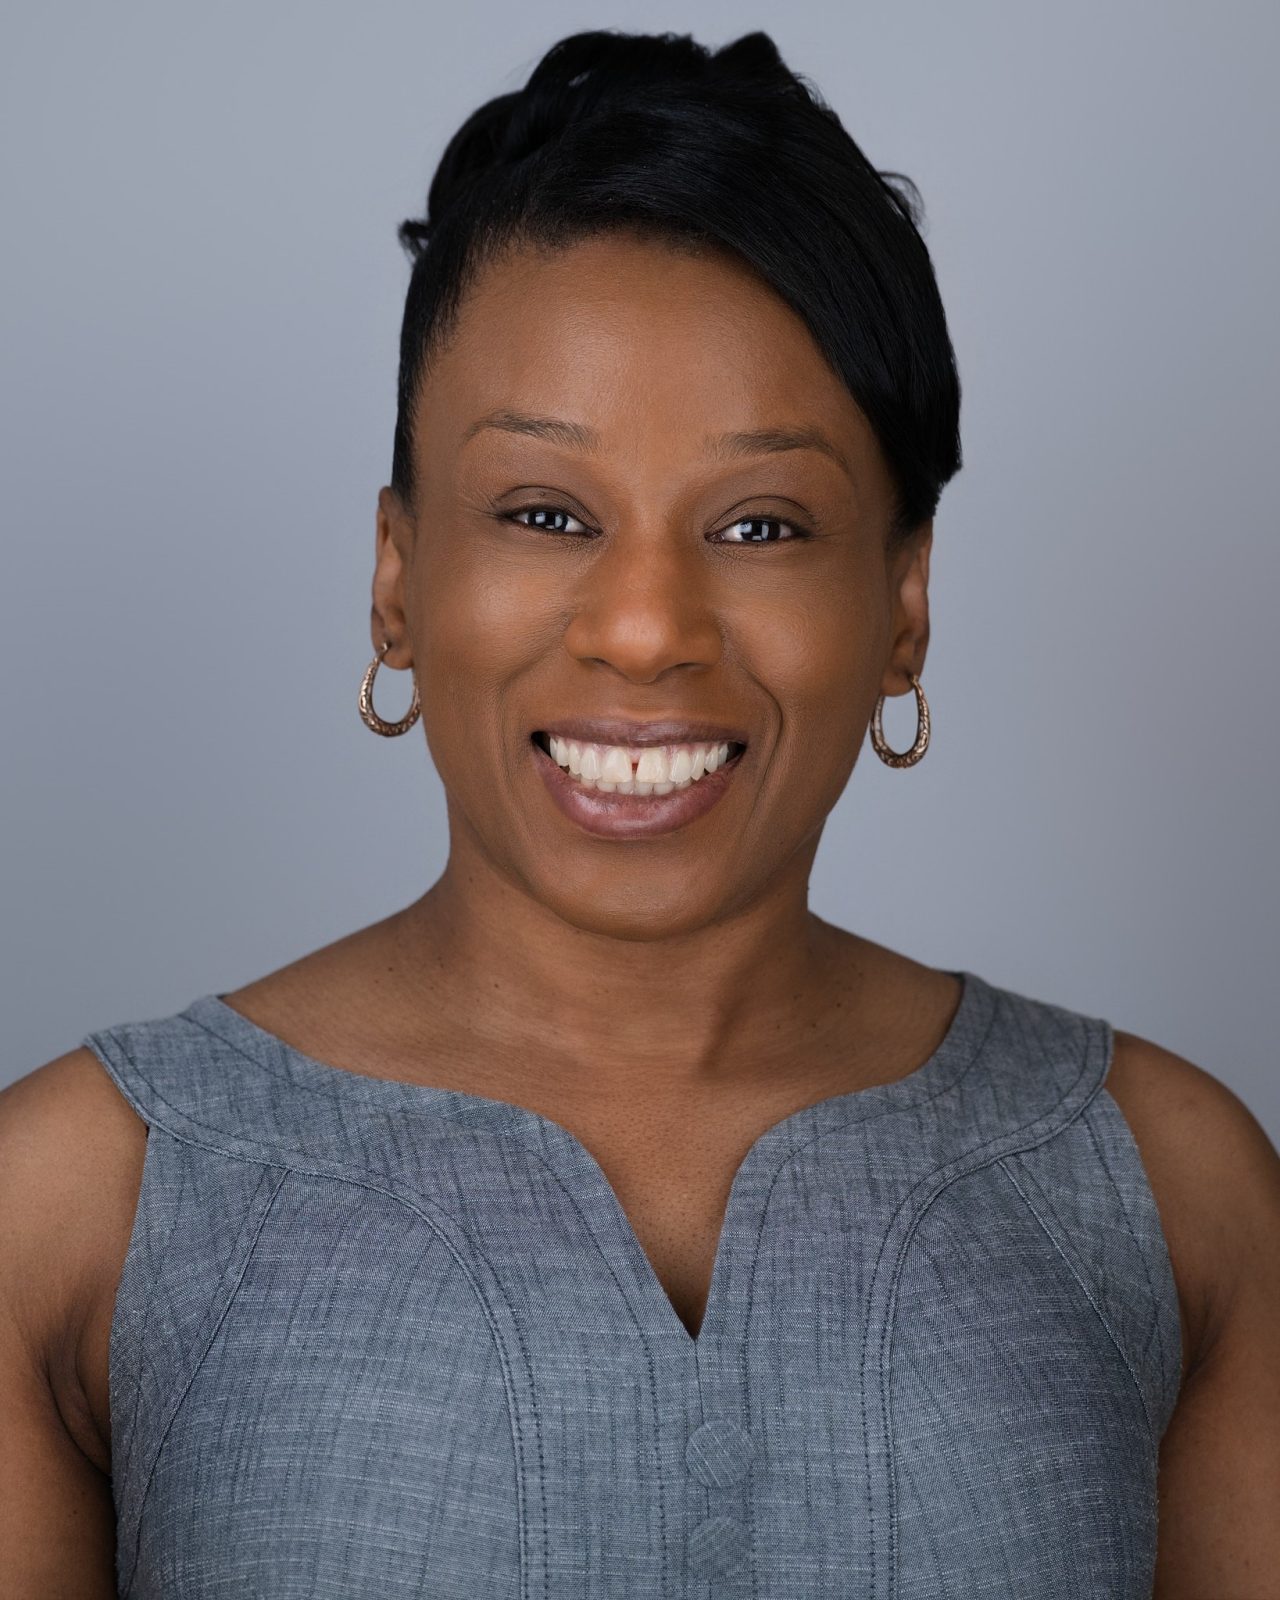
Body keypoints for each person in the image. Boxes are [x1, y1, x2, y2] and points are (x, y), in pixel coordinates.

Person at [2, 25, 1277, 1599]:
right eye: (544, 512)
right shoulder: (71, 1209)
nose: (647, 625)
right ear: (398, 580)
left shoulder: (1170, 1190)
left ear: (903, 603)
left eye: (761, 521)